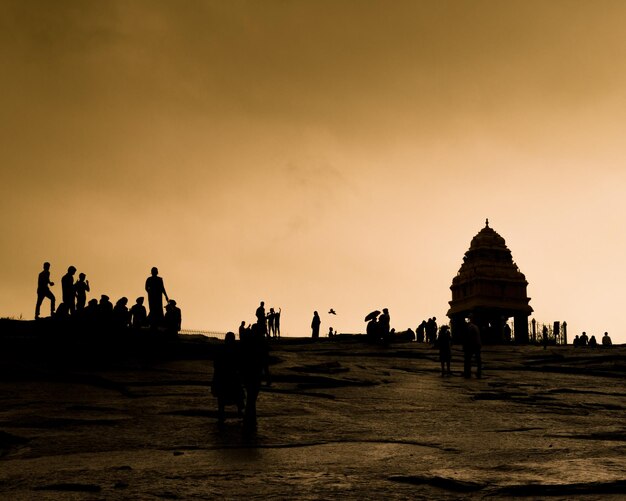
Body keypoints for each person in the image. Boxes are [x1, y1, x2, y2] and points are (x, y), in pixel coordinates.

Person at [240, 323, 270, 432]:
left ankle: (249, 420)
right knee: (252, 397)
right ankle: (250, 420)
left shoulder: (248, 341)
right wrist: (267, 375)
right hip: (256, 373)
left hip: (248, 372)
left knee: (250, 397)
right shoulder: (261, 342)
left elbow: (242, 357)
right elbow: (264, 360)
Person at [211, 331, 245, 426]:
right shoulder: (235, 350)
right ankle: (240, 416)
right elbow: (239, 364)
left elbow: (216, 365)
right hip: (231, 377)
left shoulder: (221, 350)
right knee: (237, 397)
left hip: (223, 377)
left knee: (222, 399)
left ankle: (222, 417)